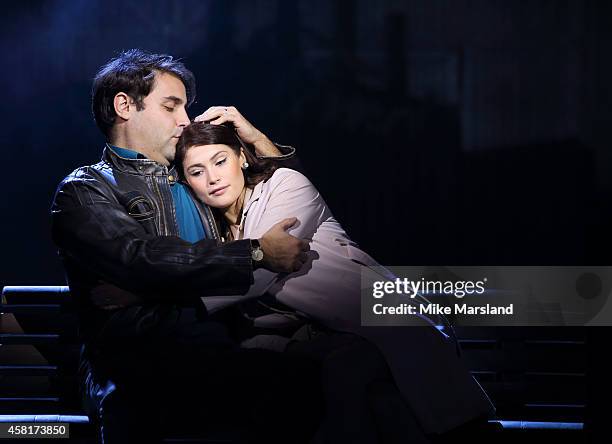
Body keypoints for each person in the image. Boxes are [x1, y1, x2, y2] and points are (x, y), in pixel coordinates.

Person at [51, 49, 323, 444]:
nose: (185, 120)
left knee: (314, 379)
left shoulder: (197, 174)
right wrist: (254, 253)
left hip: (218, 345)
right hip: (141, 361)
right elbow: (138, 258)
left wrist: (254, 137)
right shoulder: (87, 189)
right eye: (171, 106)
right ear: (124, 105)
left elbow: (290, 203)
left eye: (185, 107)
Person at [175, 121, 497, 442]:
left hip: (376, 325)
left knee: (353, 382)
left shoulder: (285, 186)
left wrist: (178, 308)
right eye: (197, 171)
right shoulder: (212, 231)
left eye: (220, 161)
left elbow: (260, 272)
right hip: (316, 339)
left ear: (241, 158)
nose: (213, 178)